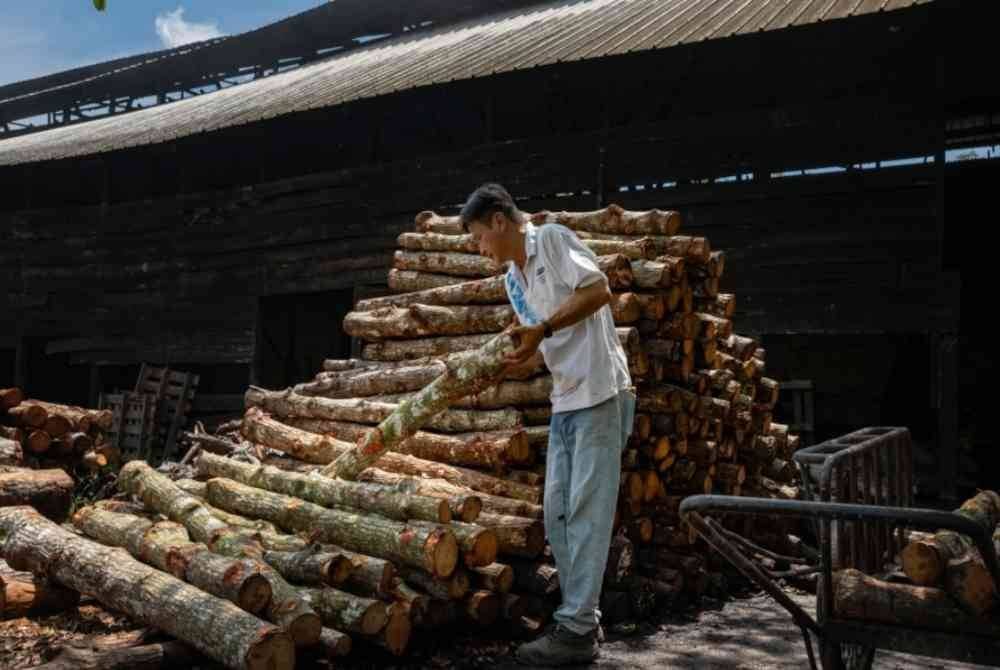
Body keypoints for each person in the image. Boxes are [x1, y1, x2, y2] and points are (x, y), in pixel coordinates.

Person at [460, 183, 635, 666]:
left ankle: (578, 630)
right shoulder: (512, 281)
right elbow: (539, 338)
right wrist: (516, 357)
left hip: (601, 392)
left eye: (479, 238)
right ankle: (577, 620)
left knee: (586, 514)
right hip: (566, 399)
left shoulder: (553, 239)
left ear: (499, 220)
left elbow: (598, 289)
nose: (481, 249)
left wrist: (544, 330)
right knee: (557, 515)